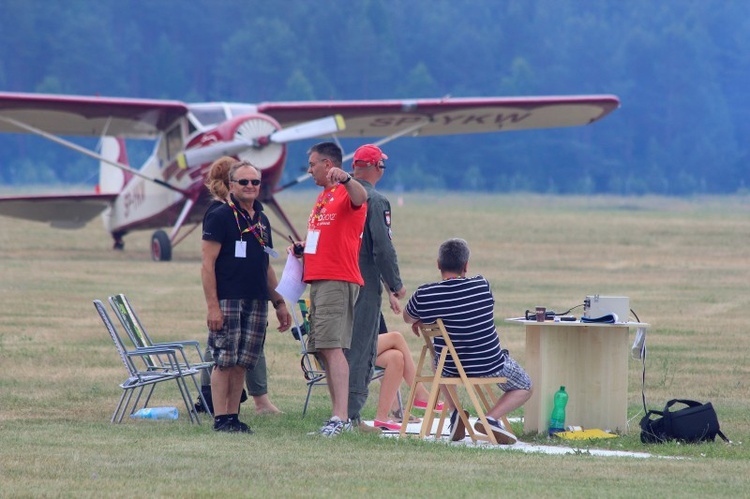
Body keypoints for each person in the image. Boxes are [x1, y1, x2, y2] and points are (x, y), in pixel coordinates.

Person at [403, 238, 532, 444]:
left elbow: (407, 317)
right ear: (466, 266)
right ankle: (490, 418)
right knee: (525, 386)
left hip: (450, 368)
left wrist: (419, 319)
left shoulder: (425, 294)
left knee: (437, 360)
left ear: (438, 264)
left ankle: (455, 412)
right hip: (489, 364)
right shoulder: (481, 285)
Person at [201, 160, 291, 433]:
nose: (250, 187)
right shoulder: (219, 215)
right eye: (244, 182)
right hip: (229, 298)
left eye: (255, 182)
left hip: (256, 299)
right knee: (224, 360)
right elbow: (207, 265)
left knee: (243, 361)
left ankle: (233, 416)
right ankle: (220, 418)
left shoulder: (261, 219)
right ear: (231, 185)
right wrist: (213, 307)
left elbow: (267, 266)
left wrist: (279, 302)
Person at [293, 141, 368, 437]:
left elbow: (362, 198)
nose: (309, 170)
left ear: (328, 164)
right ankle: (339, 416)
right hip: (320, 278)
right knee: (323, 348)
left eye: (313, 164)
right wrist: (304, 249)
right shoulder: (324, 196)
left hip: (337, 279)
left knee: (332, 347)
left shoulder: (346, 191)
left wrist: (348, 178)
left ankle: (341, 417)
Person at [345, 144, 406, 433]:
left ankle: (340, 411)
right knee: (361, 349)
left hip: (336, 282)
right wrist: (395, 283)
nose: (383, 169)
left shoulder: (337, 194)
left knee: (341, 348)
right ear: (374, 167)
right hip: (363, 286)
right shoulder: (376, 200)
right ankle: (351, 416)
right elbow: (382, 247)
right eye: (382, 164)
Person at [373, 308, 443, 431]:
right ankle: (420, 393)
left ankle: (382, 417)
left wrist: (391, 293)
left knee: (396, 357)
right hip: (349, 350)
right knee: (396, 337)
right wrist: (396, 289)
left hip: (363, 350)